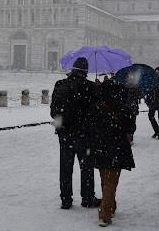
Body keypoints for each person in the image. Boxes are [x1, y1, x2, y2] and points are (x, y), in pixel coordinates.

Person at [50, 57, 100, 210]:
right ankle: (87, 197)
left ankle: (66, 199)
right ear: (85, 71)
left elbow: (53, 112)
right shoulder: (90, 87)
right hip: (83, 134)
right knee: (86, 167)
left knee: (65, 167)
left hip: (64, 133)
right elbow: (96, 111)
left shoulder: (60, 85)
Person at [87, 77, 136, 228]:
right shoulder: (124, 109)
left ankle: (111, 207)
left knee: (105, 180)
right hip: (117, 149)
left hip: (100, 148)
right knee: (111, 182)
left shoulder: (97, 107)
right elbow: (130, 129)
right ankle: (104, 215)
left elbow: (88, 125)